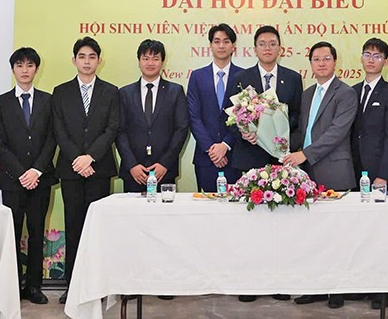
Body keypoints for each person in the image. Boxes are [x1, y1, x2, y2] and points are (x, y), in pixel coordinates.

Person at [230, 25, 302, 303]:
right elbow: (233, 116)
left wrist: (281, 131)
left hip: (280, 158)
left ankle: (279, 281)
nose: (268, 48)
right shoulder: (241, 78)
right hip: (250, 157)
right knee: (250, 224)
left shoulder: (293, 78)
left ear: (280, 48)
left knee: (280, 222)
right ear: (255, 48)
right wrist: (244, 131)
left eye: (273, 43)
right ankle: (249, 283)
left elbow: (298, 116)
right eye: (262, 44)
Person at [284, 41, 358, 309]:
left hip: (334, 171)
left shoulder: (346, 93)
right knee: (311, 235)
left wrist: (304, 154)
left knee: (335, 235)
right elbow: (303, 133)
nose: (321, 63)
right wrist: (274, 141)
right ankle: (314, 287)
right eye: (316, 59)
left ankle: (336, 290)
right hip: (308, 174)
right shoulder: (307, 94)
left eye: (326, 58)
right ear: (311, 64)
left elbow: (336, 133)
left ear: (335, 62)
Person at [52, 36, 120, 304]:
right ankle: (73, 286)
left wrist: (90, 157)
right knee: (73, 227)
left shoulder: (111, 92)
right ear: (74, 60)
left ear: (99, 61)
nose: (87, 62)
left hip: (98, 169)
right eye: (82, 57)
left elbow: (112, 128)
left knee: (97, 230)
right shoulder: (61, 92)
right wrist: (78, 159)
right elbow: (59, 130)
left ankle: (97, 287)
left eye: (92, 57)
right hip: (71, 170)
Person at [0, 47, 57, 304]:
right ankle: (13, 286)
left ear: (37, 69)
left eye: (30, 65)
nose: (25, 70)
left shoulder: (49, 101)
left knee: (37, 232)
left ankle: (34, 286)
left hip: (41, 179)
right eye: (20, 65)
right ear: (13, 69)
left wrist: (36, 170)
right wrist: (21, 173)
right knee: (13, 234)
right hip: (12, 180)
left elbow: (52, 139)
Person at [350, 37, 388, 310]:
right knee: (360, 230)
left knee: (382, 231)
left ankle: (383, 291)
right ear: (361, 58)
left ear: (386, 61)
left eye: (377, 56)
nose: (371, 60)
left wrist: (384, 173)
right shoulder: (352, 91)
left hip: (379, 172)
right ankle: (362, 284)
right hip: (353, 171)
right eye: (367, 54)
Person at [117, 39, 189, 194]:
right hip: (134, 173)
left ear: (163, 62)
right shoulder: (125, 93)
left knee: (165, 210)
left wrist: (165, 163)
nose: (150, 63)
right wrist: (132, 165)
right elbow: (120, 131)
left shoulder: (175, 91)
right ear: (139, 61)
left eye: (155, 58)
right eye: (145, 58)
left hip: (164, 171)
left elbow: (181, 128)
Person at [187, 24, 244, 191]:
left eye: (226, 41)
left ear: (233, 46)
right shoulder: (197, 76)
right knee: (206, 205)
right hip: (205, 158)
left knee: (235, 204)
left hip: (234, 157)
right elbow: (193, 117)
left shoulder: (244, 76)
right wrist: (212, 149)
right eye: (217, 41)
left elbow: (245, 117)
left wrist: (225, 145)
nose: (221, 46)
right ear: (210, 45)